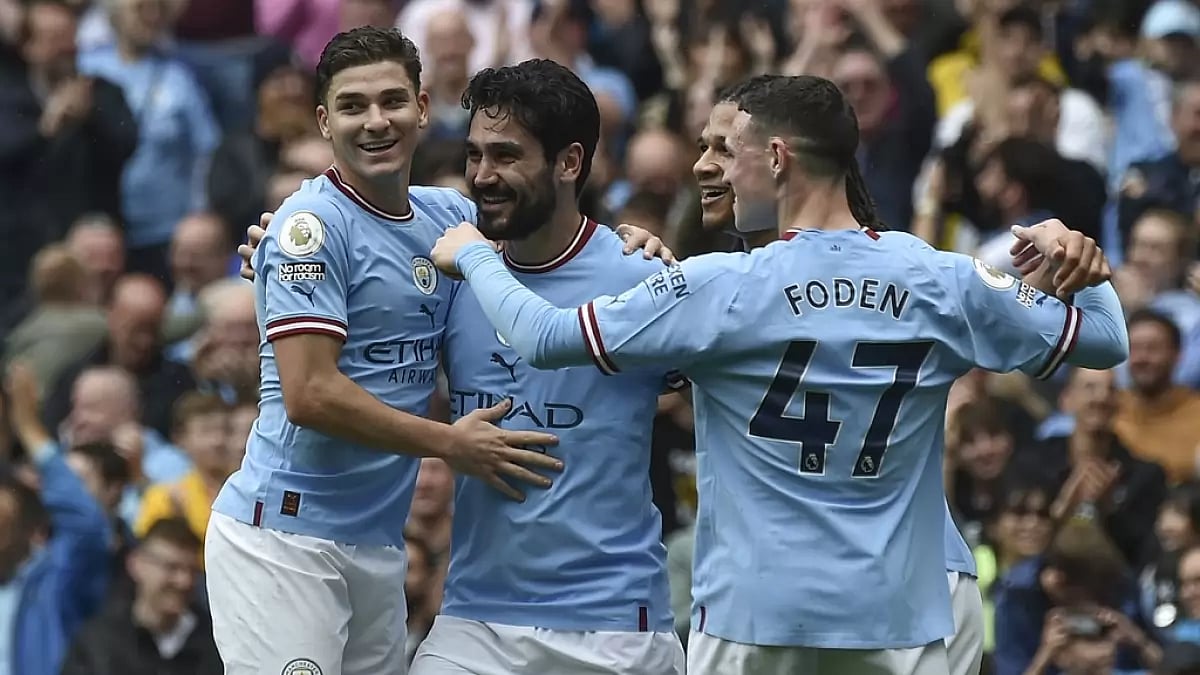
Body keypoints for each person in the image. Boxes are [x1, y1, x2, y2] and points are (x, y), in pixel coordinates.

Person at [430, 74, 1130, 674]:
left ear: (774, 156)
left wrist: (478, 255)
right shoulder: (940, 277)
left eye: (725, 152)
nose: (714, 169)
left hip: (754, 611)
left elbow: (548, 336)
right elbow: (1104, 338)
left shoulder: (721, 287)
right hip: (900, 606)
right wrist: (1079, 261)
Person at [240, 58, 688, 675]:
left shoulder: (639, 280)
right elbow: (362, 263)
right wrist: (280, 250)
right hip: (475, 622)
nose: (483, 176)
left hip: (614, 624)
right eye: (475, 155)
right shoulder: (456, 271)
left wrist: (663, 263)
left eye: (506, 156)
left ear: (569, 163)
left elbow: (705, 404)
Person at [203, 27, 562, 675]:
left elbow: (552, 253)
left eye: (392, 101)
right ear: (324, 121)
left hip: (376, 540)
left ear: (423, 107)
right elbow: (311, 395)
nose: (376, 122)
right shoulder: (309, 228)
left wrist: (636, 244)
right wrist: (450, 442)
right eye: (352, 106)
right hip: (285, 535)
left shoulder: (447, 216)